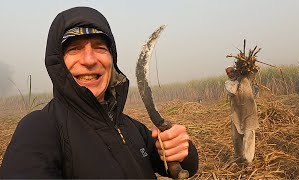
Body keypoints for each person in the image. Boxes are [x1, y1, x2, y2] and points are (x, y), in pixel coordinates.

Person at [0, 7, 198, 178]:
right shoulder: (39, 130)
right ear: (57, 63)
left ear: (112, 59)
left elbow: (186, 167)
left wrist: (181, 149)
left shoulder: (131, 127)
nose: (89, 60)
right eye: (74, 49)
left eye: (100, 47)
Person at [225, 66, 259, 163]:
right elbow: (233, 91)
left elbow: (254, 72)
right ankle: (239, 156)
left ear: (235, 70)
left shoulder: (245, 78)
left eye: (232, 71)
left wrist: (246, 70)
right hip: (237, 113)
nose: (230, 74)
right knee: (236, 137)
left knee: (249, 134)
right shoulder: (229, 83)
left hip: (249, 112)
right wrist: (238, 79)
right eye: (228, 73)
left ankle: (248, 159)